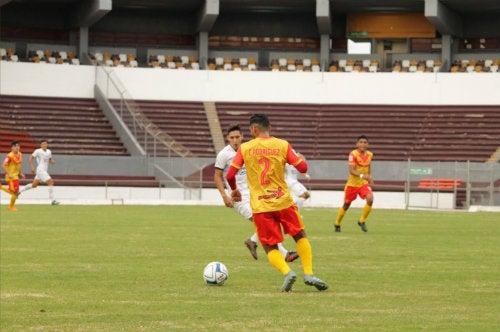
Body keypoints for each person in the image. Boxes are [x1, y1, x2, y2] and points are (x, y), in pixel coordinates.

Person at [226, 114, 328, 292]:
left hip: (260, 205)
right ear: (269, 128)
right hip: (284, 202)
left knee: (269, 246)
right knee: (300, 236)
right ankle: (309, 274)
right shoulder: (282, 144)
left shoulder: (245, 148)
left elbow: (229, 175)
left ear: (253, 130)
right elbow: (303, 168)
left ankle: (287, 272)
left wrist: (234, 190)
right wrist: (297, 158)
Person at [214, 125, 298, 262]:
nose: (235, 140)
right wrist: (224, 196)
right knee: (262, 222)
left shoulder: (248, 149)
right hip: (238, 197)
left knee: (267, 220)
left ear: (242, 137)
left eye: (237, 137)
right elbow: (217, 176)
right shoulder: (224, 154)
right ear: (227, 138)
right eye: (232, 138)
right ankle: (284, 254)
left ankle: (252, 241)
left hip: (255, 194)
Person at [334, 135, 374, 233]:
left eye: (365, 142)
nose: (363, 144)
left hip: (363, 184)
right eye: (361, 142)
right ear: (357, 144)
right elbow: (352, 170)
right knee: (346, 204)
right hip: (352, 184)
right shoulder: (353, 154)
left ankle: (362, 221)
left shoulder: (370, 154)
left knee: (370, 199)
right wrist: (362, 176)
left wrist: (369, 177)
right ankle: (337, 223)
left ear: (368, 144)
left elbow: (368, 167)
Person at [18, 140, 60, 205]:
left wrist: (52, 161)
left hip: (44, 171)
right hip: (40, 170)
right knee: (50, 181)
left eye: (45, 144)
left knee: (34, 185)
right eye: (43, 144)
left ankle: (19, 191)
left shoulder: (49, 151)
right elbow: (30, 158)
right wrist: (32, 167)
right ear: (41, 145)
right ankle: (53, 200)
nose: (44, 145)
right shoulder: (38, 151)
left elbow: (49, 159)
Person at [1, 140, 25, 211]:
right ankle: (11, 207)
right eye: (15, 146)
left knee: (15, 192)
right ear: (12, 148)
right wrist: (9, 174)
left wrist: (20, 173)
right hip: (10, 177)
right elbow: (3, 166)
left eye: (18, 146)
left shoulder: (20, 154)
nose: (17, 147)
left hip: (16, 176)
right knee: (15, 192)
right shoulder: (9, 156)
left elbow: (18, 165)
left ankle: (11, 206)